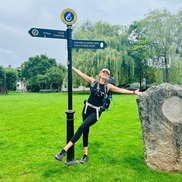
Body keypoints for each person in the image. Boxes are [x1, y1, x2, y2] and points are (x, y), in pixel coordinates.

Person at [55, 66, 141, 164]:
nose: (105, 74)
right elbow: (81, 74)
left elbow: (121, 90)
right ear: (100, 74)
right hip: (86, 109)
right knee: (85, 131)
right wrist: (71, 66)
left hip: (95, 113)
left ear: (108, 77)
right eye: (103, 72)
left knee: (81, 128)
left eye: (107, 73)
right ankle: (85, 155)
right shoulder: (93, 82)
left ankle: (63, 151)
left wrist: (134, 92)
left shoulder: (108, 87)